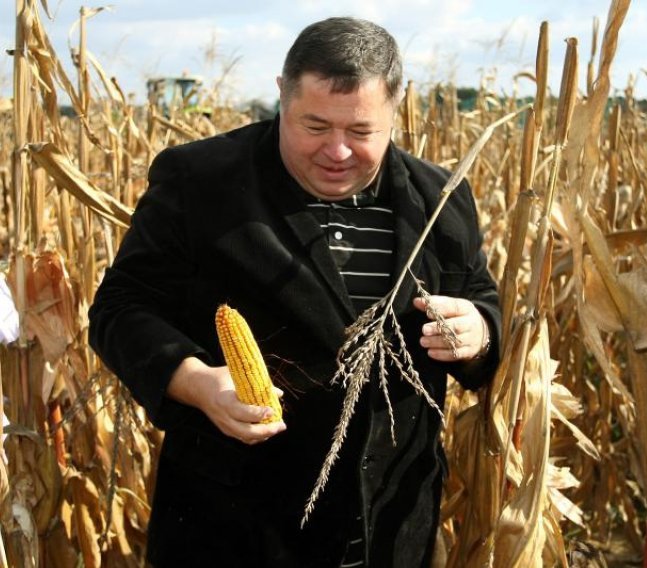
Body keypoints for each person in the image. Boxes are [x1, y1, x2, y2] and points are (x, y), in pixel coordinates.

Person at [89, 16, 500, 567]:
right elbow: (120, 309)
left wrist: (480, 333)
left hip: (390, 528)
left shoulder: (440, 197)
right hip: (237, 529)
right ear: (281, 94)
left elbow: (481, 301)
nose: (337, 151)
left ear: (396, 110)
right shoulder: (202, 182)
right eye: (314, 126)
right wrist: (196, 382)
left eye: (360, 132)